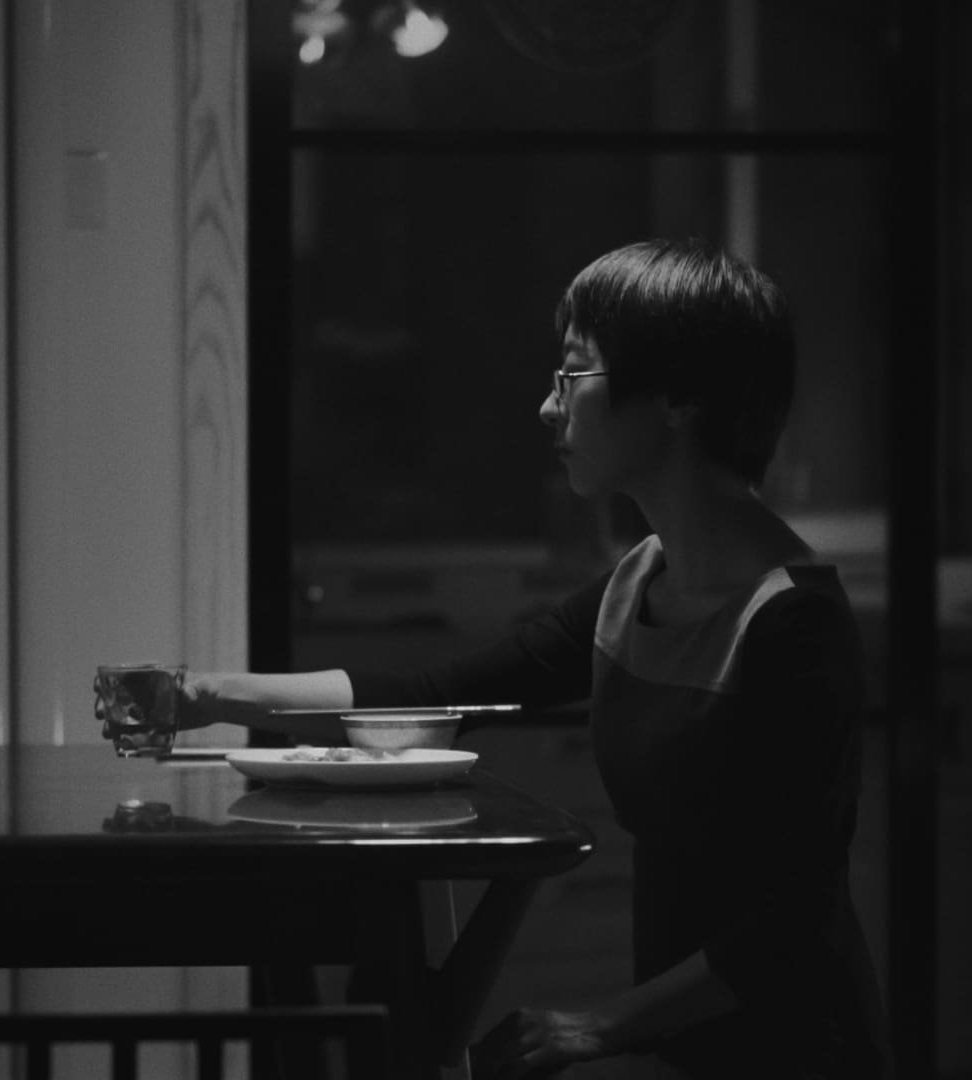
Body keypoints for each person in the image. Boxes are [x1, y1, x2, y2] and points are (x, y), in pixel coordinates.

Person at [153, 240, 890, 1078]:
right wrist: (202, 693)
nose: (547, 407)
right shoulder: (639, 582)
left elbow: (795, 919)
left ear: (679, 397)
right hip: (686, 1048)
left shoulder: (793, 622)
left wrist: (601, 1024)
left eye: (573, 376)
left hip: (802, 1050)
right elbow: (436, 695)